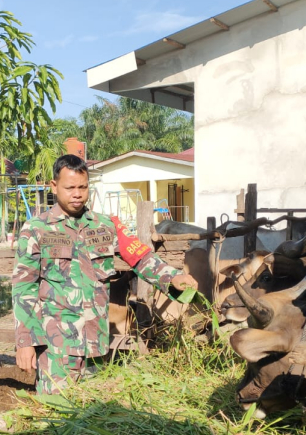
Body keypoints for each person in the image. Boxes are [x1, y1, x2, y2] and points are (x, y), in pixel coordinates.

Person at [12, 154, 198, 394]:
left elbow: (140, 257)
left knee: (93, 415)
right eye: (70, 188)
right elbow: (23, 287)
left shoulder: (105, 226)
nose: (77, 194)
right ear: (54, 186)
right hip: (56, 348)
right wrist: (25, 341)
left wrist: (171, 277)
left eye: (83, 187)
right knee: (56, 417)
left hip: (97, 344)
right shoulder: (36, 230)